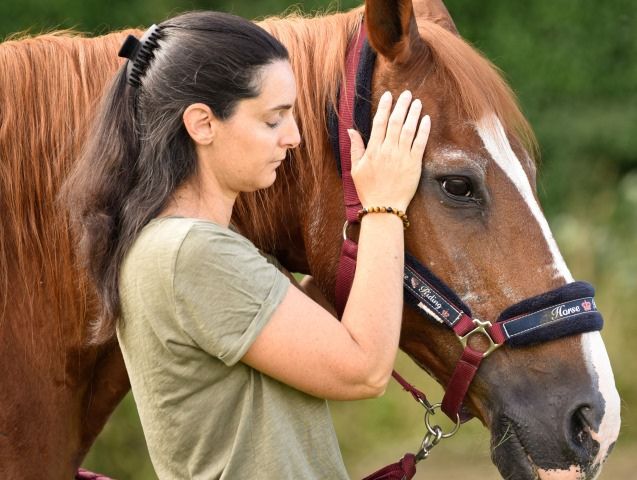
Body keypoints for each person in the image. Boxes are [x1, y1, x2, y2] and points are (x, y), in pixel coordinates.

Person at [64, 10, 430, 480]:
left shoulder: (183, 245)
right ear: (202, 124)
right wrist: (385, 207)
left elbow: (313, 336)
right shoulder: (191, 253)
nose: (294, 137)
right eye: (273, 119)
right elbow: (363, 369)